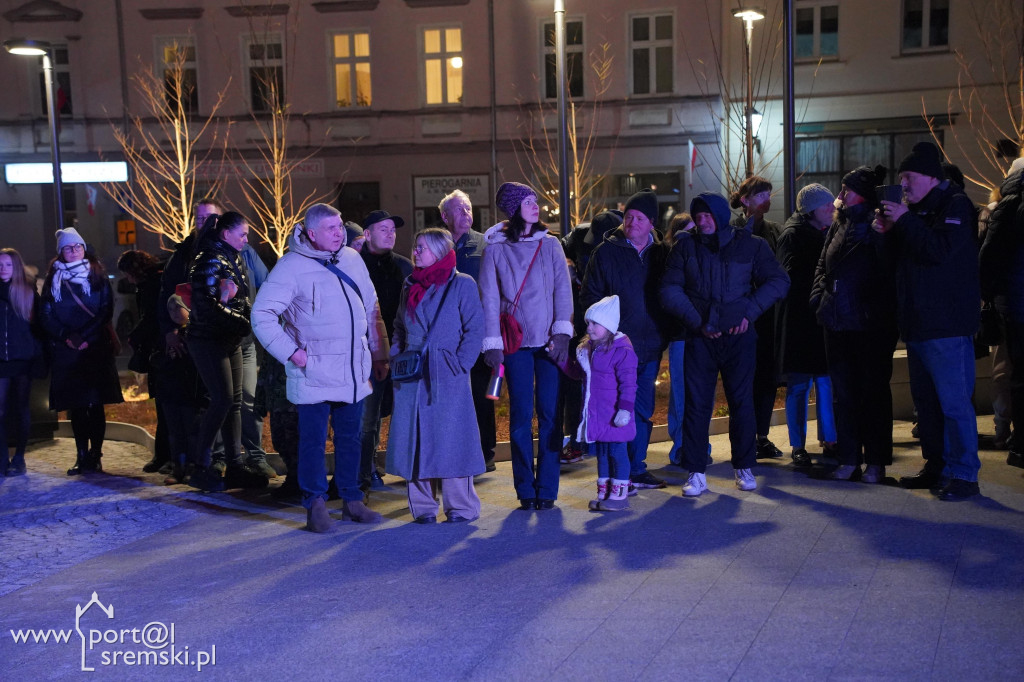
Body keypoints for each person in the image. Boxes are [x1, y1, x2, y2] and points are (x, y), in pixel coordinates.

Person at [252, 203, 389, 532]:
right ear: (311, 233)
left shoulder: (351, 259)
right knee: (312, 441)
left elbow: (371, 306)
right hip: (312, 371)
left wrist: (379, 351)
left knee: (350, 438)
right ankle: (314, 504)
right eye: (331, 228)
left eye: (340, 225)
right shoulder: (290, 268)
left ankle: (352, 500)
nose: (339, 232)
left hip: (353, 370)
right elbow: (262, 315)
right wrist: (293, 354)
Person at [660, 193, 789, 497]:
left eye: (708, 215)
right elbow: (669, 289)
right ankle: (695, 472)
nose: (702, 221)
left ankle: (743, 466)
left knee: (742, 402)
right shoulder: (685, 246)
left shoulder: (751, 244)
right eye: (698, 215)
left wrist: (749, 312)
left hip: (739, 336)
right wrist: (697, 322)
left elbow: (778, 281)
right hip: (699, 338)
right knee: (696, 404)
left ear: (719, 216)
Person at [875, 141, 981, 500]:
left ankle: (964, 474)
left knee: (953, 404)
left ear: (931, 178)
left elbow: (938, 253)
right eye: (901, 177)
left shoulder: (955, 207)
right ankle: (937, 466)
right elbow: (900, 265)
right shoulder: (916, 212)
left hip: (947, 326)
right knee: (928, 405)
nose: (902, 185)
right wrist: (888, 234)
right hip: (918, 326)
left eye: (908, 177)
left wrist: (904, 220)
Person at [479, 182, 573, 510]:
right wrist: (491, 343)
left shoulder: (551, 245)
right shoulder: (495, 249)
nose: (536, 206)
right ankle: (525, 488)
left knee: (549, 414)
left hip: (549, 343)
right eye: (529, 202)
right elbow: (489, 300)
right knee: (520, 416)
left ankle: (547, 487)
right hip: (514, 344)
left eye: (536, 200)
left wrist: (562, 332)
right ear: (514, 208)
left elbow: (563, 289)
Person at [386, 228, 485, 523]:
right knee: (413, 441)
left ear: (440, 252)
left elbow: (475, 327)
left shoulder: (462, 284)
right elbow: (399, 325)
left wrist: (461, 363)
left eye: (421, 248)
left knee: (453, 441)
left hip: (447, 372)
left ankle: (461, 507)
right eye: (415, 247)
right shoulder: (409, 285)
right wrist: (396, 353)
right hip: (413, 373)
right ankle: (424, 508)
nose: (415, 252)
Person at [811, 165, 898, 483]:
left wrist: (883, 235)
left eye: (847, 189)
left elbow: (889, 268)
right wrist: (819, 297)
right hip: (836, 321)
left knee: (872, 393)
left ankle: (875, 462)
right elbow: (824, 263)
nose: (840, 195)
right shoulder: (839, 223)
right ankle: (849, 458)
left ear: (862, 193)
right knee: (843, 394)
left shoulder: (878, 224)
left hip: (870, 324)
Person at [580, 189, 670, 491]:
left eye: (639, 218)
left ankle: (637, 468)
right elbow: (590, 296)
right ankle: (620, 470)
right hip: (615, 348)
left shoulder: (661, 254)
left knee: (641, 409)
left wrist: (666, 330)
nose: (632, 222)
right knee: (614, 407)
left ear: (651, 223)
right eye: (628, 216)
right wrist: (602, 335)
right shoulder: (606, 253)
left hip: (650, 343)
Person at [40, 228, 123, 475]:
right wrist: (67, 336)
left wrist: (85, 337)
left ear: (83, 248)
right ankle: (81, 455)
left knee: (95, 404)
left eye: (77, 246)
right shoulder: (53, 277)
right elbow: (46, 312)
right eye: (68, 248)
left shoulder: (97, 274)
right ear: (61, 252)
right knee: (76, 406)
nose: (74, 251)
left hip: (94, 348)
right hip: (68, 350)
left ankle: (96, 455)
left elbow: (105, 310)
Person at [185, 212, 253, 492]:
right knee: (223, 400)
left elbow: (239, 296)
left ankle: (234, 464)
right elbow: (207, 307)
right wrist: (245, 321)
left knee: (233, 401)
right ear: (226, 234)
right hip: (209, 340)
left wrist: (240, 315)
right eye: (243, 235)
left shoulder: (230, 256)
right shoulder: (209, 259)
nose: (247, 240)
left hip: (229, 337)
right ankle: (200, 466)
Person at [776, 184, 838, 469]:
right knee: (800, 385)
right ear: (812, 210)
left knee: (824, 381)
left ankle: (830, 439)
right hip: (801, 321)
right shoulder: (794, 235)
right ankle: (798, 445)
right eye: (827, 206)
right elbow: (790, 278)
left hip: (817, 318)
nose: (832, 210)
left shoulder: (823, 232)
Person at [558, 295, 638, 512]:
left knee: (617, 453)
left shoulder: (622, 351)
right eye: (588, 323)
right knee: (602, 454)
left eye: (595, 323)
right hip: (597, 414)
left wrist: (625, 409)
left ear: (609, 326)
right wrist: (563, 361)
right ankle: (604, 494)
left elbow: (629, 383)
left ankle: (620, 496)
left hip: (614, 414)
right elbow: (579, 374)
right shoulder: (589, 349)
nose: (589, 327)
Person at [438, 189, 496, 472]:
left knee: (481, 395)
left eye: (469, 209)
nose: (466, 214)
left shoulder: (485, 244)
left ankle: (486, 451)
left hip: (479, 334)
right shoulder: (437, 245)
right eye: (459, 210)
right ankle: (456, 450)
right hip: (447, 336)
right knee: (450, 396)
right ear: (444, 216)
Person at [560, 210, 623, 464]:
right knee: (575, 382)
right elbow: (556, 244)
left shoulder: (622, 244)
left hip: (611, 321)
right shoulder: (578, 237)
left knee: (609, 383)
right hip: (582, 318)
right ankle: (576, 440)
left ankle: (606, 440)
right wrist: (565, 259)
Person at [730, 175, 785, 460]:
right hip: (743, 315)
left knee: (767, 378)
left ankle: (761, 436)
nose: (768, 200)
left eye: (769, 194)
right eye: (761, 195)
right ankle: (745, 436)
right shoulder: (733, 230)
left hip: (769, 314)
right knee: (744, 378)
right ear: (745, 200)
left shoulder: (775, 230)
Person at [358, 209, 413, 490]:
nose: (391, 233)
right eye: (383, 229)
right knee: (367, 418)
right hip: (365, 353)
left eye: (393, 228)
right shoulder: (354, 266)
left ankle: (399, 468)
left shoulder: (404, 268)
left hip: (400, 352)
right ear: (367, 234)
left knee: (393, 414)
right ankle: (364, 474)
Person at [979, 156, 1024, 468]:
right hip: (1013, 304)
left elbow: (989, 259)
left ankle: (1012, 437)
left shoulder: (1003, 208)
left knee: (1013, 372)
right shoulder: (1006, 209)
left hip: (1012, 304)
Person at [117, 250, 170, 474]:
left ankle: (165, 455)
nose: (128, 279)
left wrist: (135, 336)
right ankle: (164, 455)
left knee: (165, 406)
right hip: (159, 350)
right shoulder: (155, 280)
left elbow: (151, 317)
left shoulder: (151, 284)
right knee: (164, 406)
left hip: (161, 351)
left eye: (128, 274)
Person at [0, 248, 40, 478]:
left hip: (23, 359)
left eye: (7, 264)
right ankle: (3, 457)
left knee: (22, 408)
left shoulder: (26, 291)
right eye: (0, 264)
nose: (3, 268)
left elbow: (36, 327)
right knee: (1, 410)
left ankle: (19, 457)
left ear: (15, 266)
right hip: (1, 360)